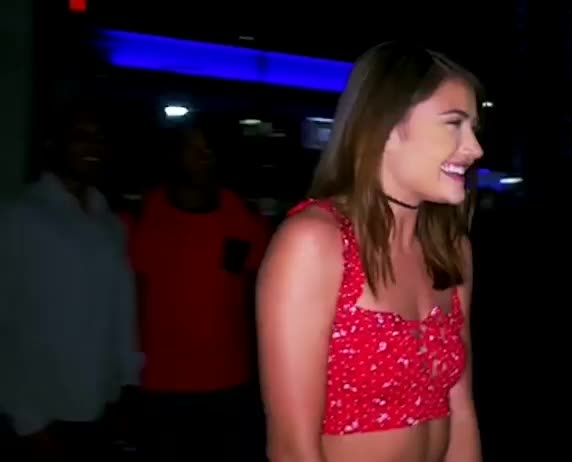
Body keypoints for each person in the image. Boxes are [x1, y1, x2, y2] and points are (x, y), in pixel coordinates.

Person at [257, 42, 485, 462]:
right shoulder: (315, 244)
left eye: (473, 127)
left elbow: (462, 410)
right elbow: (292, 448)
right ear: (388, 126)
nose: (475, 148)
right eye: (454, 124)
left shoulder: (451, 249)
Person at [0, 107, 140, 460]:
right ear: (54, 144)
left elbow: (121, 311)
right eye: (81, 136)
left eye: (99, 138)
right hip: (41, 413)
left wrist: (127, 383)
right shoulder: (20, 217)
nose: (92, 145)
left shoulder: (110, 223)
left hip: (101, 406)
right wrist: (25, 419)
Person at [128, 122, 269, 460]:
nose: (203, 156)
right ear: (174, 155)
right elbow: (130, 299)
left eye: (208, 149)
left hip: (231, 385)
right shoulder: (145, 217)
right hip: (161, 385)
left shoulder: (243, 218)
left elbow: (259, 299)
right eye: (192, 148)